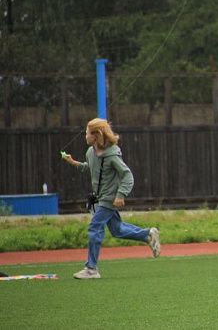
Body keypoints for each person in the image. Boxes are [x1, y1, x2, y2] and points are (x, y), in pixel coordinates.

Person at [62, 118, 161, 279]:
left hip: (109, 199)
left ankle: (91, 269)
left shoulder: (112, 155)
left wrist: (121, 195)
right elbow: (92, 169)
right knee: (117, 230)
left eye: (87, 133)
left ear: (96, 135)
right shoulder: (90, 153)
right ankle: (148, 235)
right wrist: (74, 163)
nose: (85, 136)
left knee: (95, 227)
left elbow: (127, 175)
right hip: (100, 198)